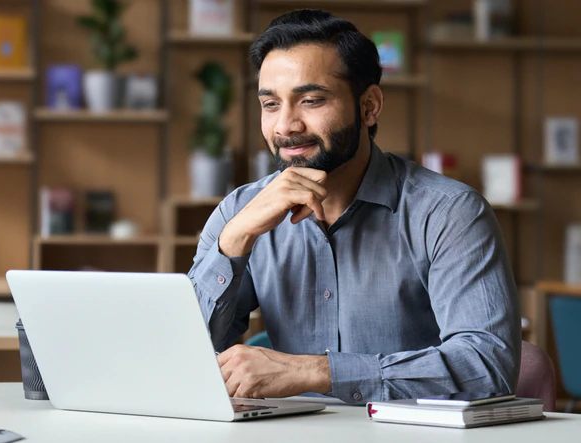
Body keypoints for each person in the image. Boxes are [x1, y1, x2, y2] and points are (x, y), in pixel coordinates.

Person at [188, 9, 520, 404]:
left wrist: (317, 372)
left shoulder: (450, 213)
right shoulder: (239, 212)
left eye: (310, 100)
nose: (285, 126)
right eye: (271, 104)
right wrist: (234, 242)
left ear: (369, 106)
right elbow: (181, 357)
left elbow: (487, 366)